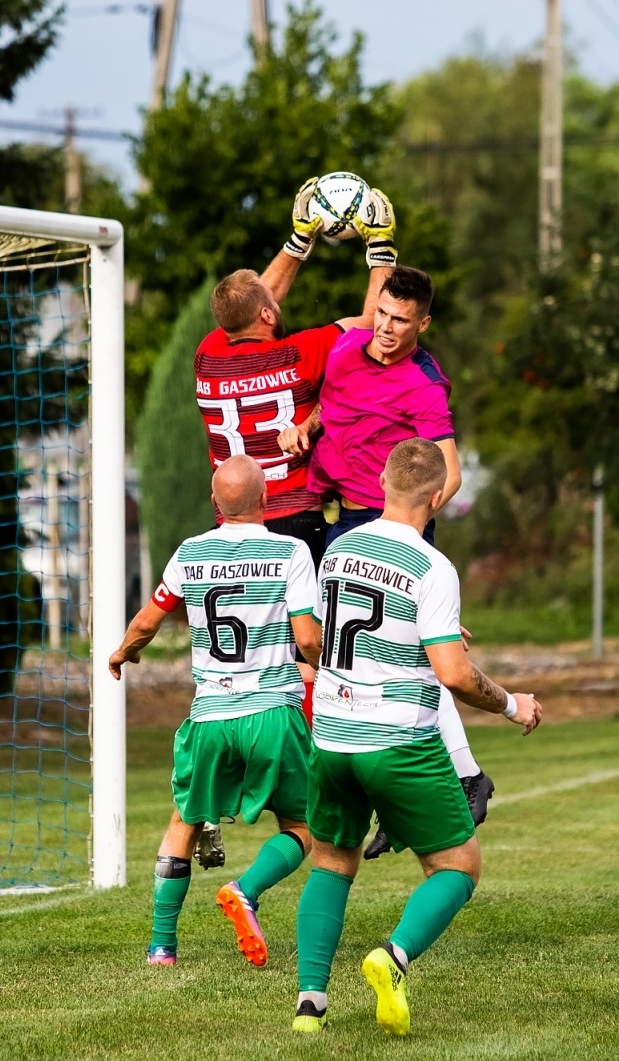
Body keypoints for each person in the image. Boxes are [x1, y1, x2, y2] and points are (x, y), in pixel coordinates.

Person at [290, 439, 543, 1036]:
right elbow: (453, 675)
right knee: (458, 865)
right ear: (436, 498)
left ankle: (309, 1005)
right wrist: (512, 704)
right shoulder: (434, 567)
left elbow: (348, 625)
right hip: (398, 740)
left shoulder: (339, 548)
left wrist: (432, 630)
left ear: (381, 482)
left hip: (330, 733)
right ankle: (392, 957)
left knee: (330, 860)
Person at [189, 177, 395, 867]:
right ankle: (310, 788)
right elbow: (372, 323)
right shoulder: (297, 351)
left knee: (229, 665)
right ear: (271, 313)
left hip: (229, 526)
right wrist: (380, 247)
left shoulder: (208, 356)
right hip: (292, 520)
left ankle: (209, 800)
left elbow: (255, 299)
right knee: (306, 656)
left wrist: (298, 241)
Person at [280, 265, 492, 861]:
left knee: (401, 654)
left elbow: (446, 475)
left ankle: (466, 776)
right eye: (383, 315)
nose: (388, 329)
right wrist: (307, 425)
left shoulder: (425, 384)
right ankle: (413, 797)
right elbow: (334, 404)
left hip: (383, 520)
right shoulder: (348, 348)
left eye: (402, 321)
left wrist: (405, 530)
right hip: (336, 519)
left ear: (423, 323)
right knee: (354, 653)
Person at [107, 457, 321, 967]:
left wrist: (123, 652)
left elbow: (146, 621)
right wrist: (328, 668)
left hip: (210, 715)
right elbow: (308, 636)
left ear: (214, 504)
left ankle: (162, 946)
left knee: (185, 819)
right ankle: (246, 889)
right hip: (272, 712)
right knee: (302, 825)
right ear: (266, 499)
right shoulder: (290, 551)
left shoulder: (190, 553)